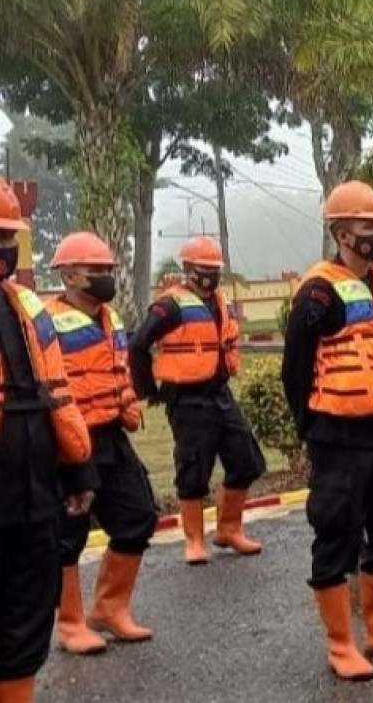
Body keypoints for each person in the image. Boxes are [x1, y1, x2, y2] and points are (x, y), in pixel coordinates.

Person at [281, 180, 373, 682]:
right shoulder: (318, 292)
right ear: (342, 234)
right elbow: (295, 368)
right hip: (337, 432)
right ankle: (341, 643)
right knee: (337, 530)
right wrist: (309, 428)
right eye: (369, 226)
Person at [0, 179, 94, 702]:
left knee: (27, 624)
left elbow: (56, 393)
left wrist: (76, 469)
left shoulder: (28, 307)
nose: (3, 248)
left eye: (6, 237)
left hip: (32, 495)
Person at [46, 233, 158, 655]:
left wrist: (129, 405)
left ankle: (109, 609)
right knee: (68, 534)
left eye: (108, 269)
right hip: (69, 439)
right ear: (69, 276)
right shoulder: (47, 321)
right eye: (96, 271)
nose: (106, 277)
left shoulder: (110, 318)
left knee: (139, 516)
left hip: (111, 434)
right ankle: (71, 624)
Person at [129, 236, 265, 565]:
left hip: (219, 393)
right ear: (188, 269)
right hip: (187, 399)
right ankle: (194, 540)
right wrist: (149, 390)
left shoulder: (220, 302)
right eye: (204, 269)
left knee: (246, 460)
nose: (210, 276)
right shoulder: (170, 306)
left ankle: (229, 529)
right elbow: (138, 344)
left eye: (214, 269)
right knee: (193, 468)